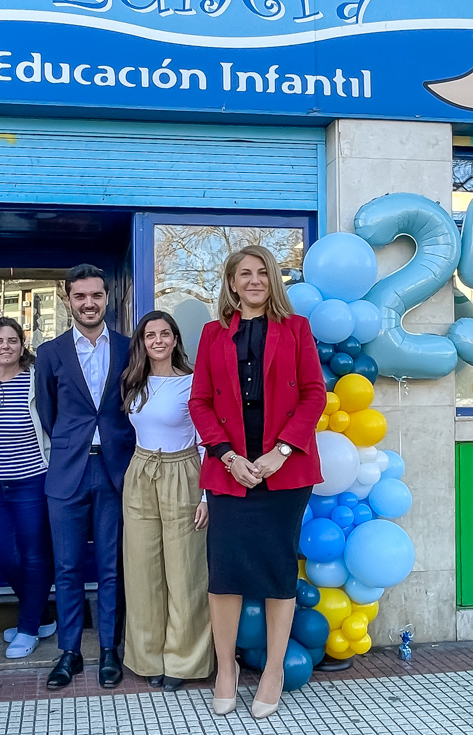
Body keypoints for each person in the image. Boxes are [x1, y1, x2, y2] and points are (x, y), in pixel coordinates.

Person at [189, 245, 326, 719]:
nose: (253, 280)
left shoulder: (297, 329)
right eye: (244, 273)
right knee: (224, 574)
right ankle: (225, 669)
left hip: (284, 473)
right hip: (228, 473)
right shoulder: (211, 334)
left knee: (276, 571)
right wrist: (228, 457)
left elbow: (313, 396)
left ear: (273, 281)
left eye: (262, 273)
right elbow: (200, 403)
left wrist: (279, 453)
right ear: (230, 283)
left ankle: (272, 671)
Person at [35, 264, 135, 690]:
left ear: (107, 298)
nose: (89, 303)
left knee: (113, 567)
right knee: (68, 566)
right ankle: (70, 651)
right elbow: (46, 410)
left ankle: (110, 649)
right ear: (68, 299)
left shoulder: (132, 348)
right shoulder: (50, 352)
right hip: (68, 472)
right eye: (80, 296)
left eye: (96, 295)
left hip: (116, 469)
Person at [119, 310, 213, 691]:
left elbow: (207, 439)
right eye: (149, 335)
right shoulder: (133, 382)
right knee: (141, 570)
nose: (157, 340)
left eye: (164, 333)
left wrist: (206, 494)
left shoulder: (192, 383)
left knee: (185, 571)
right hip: (140, 471)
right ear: (142, 342)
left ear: (175, 339)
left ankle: (183, 661)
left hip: (183, 472)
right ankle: (147, 656)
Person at [0, 317, 56, 659]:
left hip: (32, 481)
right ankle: (40, 613)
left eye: (13, 340)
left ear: (23, 346)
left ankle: (28, 627)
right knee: (5, 556)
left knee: (34, 555)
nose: (5, 346)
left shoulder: (35, 379)